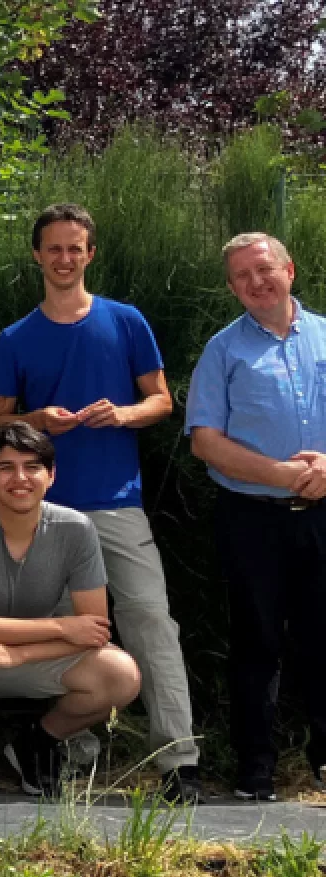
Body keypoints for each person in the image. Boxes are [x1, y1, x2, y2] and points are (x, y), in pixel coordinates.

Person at [0, 202, 200, 802]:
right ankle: (58, 742)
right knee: (63, 634)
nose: (64, 258)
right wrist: (38, 420)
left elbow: (161, 401)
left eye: (74, 248)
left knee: (150, 620)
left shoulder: (126, 321)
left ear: (90, 254)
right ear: (37, 255)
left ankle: (179, 761)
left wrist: (124, 413)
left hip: (117, 503)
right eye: (53, 248)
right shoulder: (14, 338)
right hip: (42, 514)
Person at [0, 423, 141, 797]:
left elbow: (93, 630)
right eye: (6, 467)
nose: (20, 478)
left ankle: (39, 742)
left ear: (51, 476)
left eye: (32, 467)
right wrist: (61, 627)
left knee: (121, 674)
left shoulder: (76, 529)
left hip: (30, 651)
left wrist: (20, 654)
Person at [187, 232, 326, 802]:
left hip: (324, 513)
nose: (256, 281)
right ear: (231, 288)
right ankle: (255, 769)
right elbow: (205, 441)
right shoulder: (223, 350)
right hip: (251, 517)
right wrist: (283, 474)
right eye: (242, 275)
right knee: (256, 641)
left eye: (265, 269)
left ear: (289, 271)